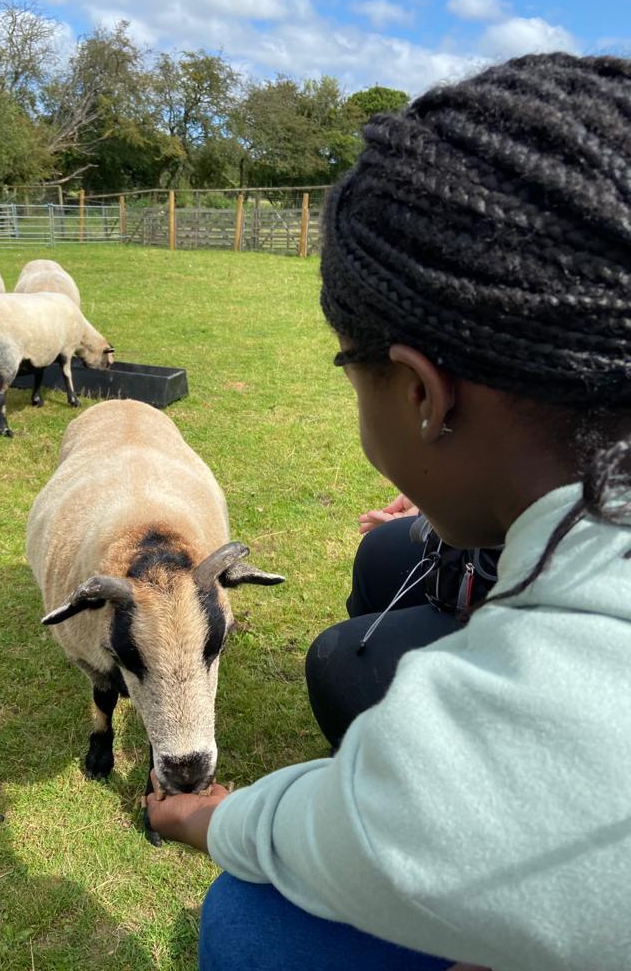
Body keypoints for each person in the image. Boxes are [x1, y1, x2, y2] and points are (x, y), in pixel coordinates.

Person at [146, 52, 631, 971]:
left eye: (352, 374)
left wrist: (206, 815)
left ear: (419, 393)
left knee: (254, 928)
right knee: (387, 563)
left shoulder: (561, 713)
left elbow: (367, 822)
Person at [306, 496, 501, 751]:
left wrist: (450, 507)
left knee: (335, 661)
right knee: (381, 549)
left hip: (523, 606)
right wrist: (433, 506)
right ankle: (378, 716)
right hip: (488, 549)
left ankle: (393, 765)